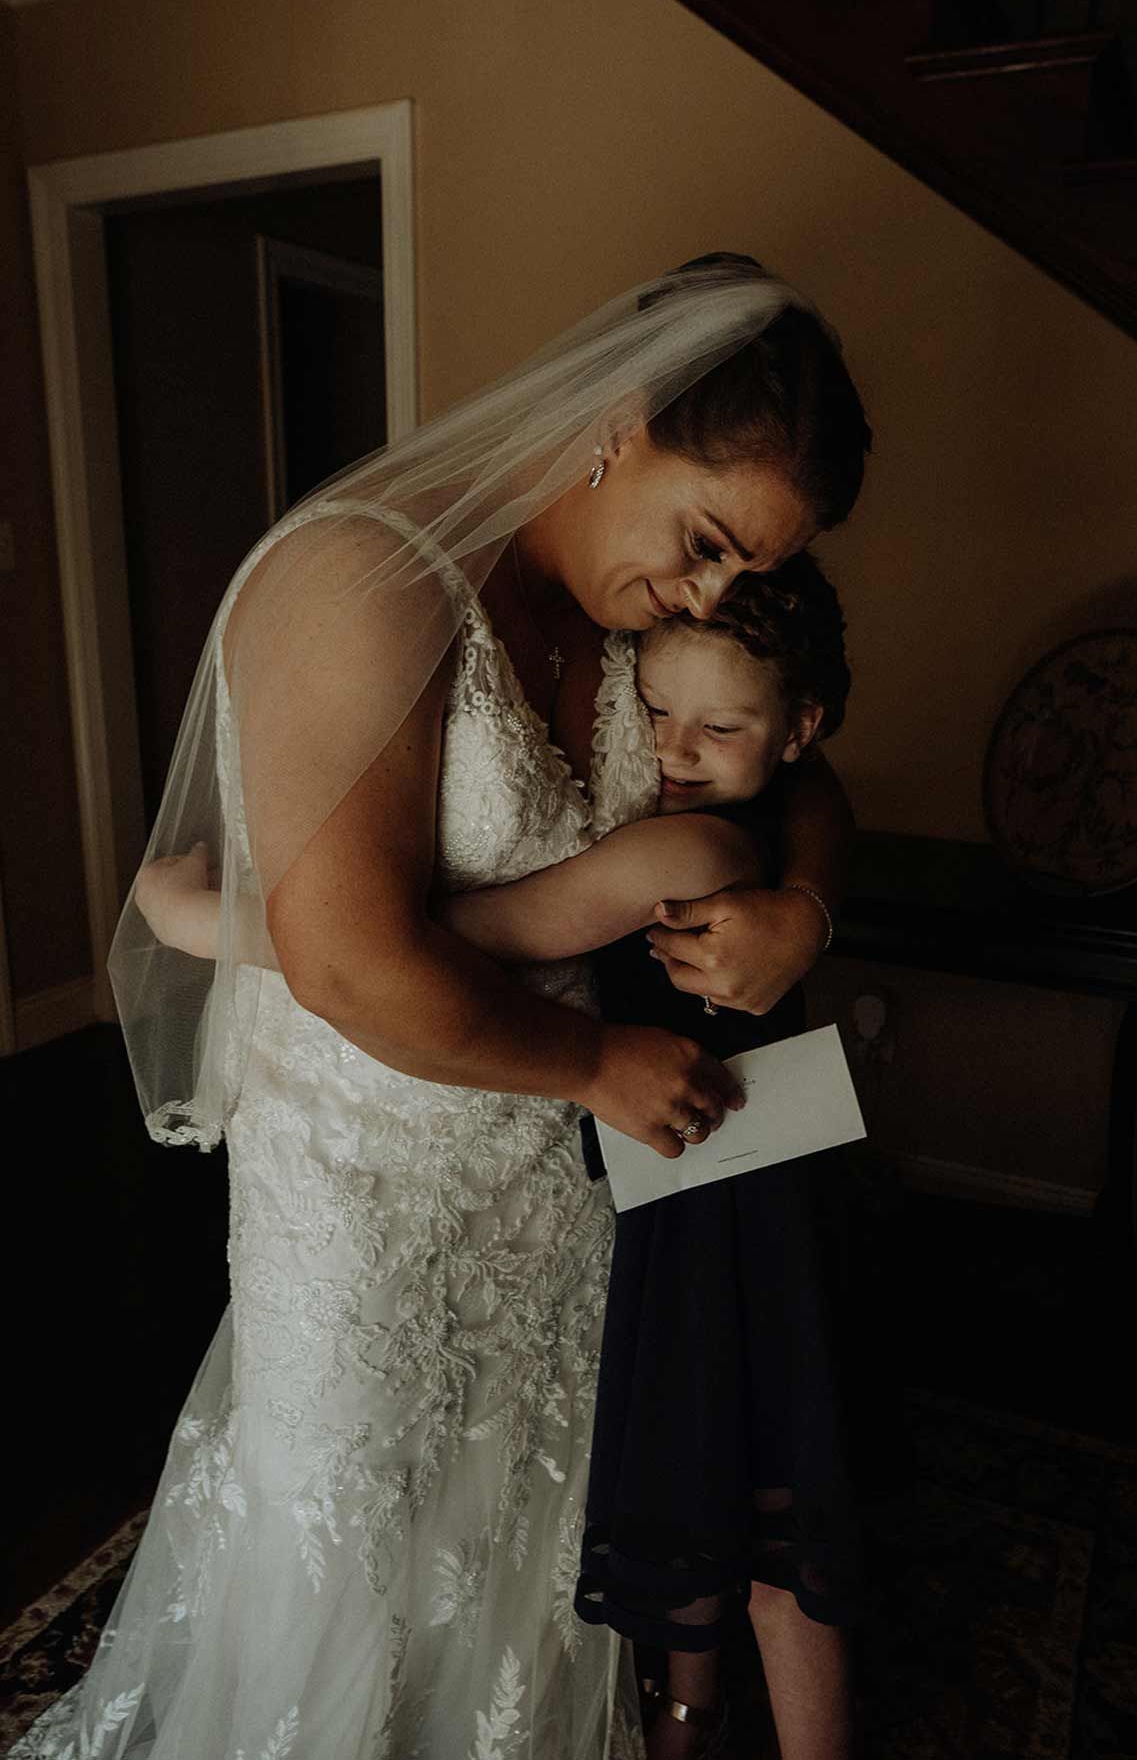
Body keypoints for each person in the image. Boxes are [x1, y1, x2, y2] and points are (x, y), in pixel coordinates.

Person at [10, 256, 870, 1760]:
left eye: (740, 580)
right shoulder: (359, 581)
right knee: (348, 1562)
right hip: (372, 1199)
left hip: (555, 1195)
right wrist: (597, 1057)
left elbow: (798, 766)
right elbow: (345, 962)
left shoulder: (615, 625)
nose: (708, 594)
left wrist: (802, 905)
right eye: (706, 541)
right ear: (617, 420)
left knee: (526, 1543)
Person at [135, 554, 858, 1760]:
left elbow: (460, 934)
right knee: (726, 1463)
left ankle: (712, 1705)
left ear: (788, 728)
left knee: (739, 1464)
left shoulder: (692, 858)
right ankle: (687, 1699)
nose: (673, 749)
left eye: (714, 726)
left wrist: (201, 916)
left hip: (700, 1171)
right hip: (684, 1167)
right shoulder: (737, 785)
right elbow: (806, 778)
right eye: (658, 714)